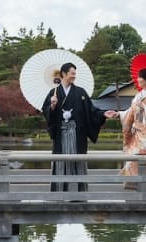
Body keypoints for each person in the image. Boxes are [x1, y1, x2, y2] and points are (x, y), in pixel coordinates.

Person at [41, 62, 107, 192]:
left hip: (78, 135)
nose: (74, 76)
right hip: (61, 135)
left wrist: (104, 113)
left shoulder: (80, 92)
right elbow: (46, 112)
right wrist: (52, 106)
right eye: (72, 73)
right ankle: (59, 193)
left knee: (79, 161)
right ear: (64, 74)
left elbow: (91, 110)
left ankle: (79, 194)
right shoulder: (53, 93)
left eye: (75, 74)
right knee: (60, 162)